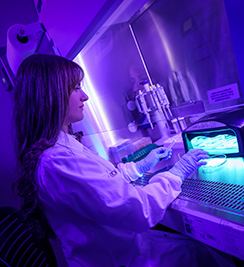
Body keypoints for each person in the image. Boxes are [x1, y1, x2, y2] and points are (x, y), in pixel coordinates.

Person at [12, 54, 213, 267]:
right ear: (51, 95)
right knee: (202, 253)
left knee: (193, 248)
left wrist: (137, 168)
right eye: (76, 88)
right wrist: (177, 173)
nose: (85, 96)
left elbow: (98, 187)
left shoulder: (60, 147)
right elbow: (138, 210)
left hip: (126, 249)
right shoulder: (59, 160)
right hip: (124, 261)